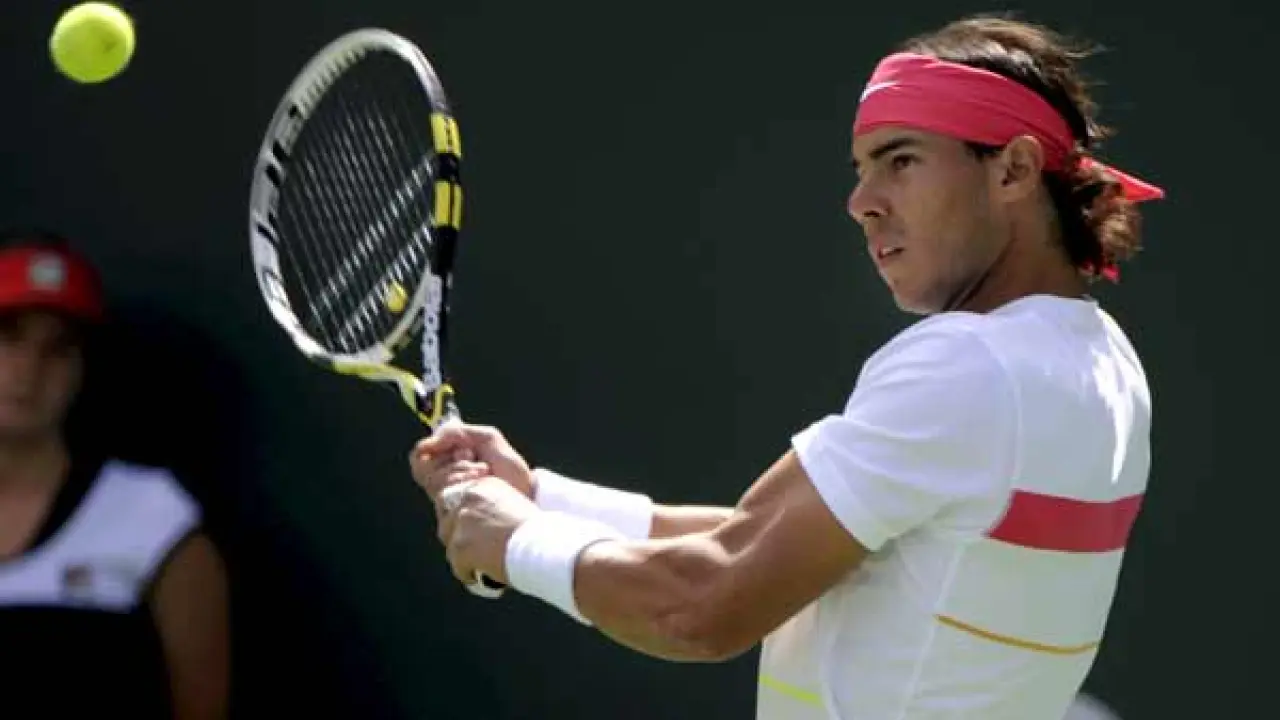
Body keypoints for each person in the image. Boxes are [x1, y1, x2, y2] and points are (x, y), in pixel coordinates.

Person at [411, 14, 1162, 720]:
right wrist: (542, 498)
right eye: (862, 169)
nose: (861, 201)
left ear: (1014, 170)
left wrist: (516, 541)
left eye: (901, 160)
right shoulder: (1102, 361)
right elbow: (791, 546)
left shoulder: (969, 363)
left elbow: (701, 606)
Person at [0, 230, 229, 719]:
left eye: (58, 348)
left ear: (83, 367)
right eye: (8, 335)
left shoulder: (152, 518)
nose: (27, 370)